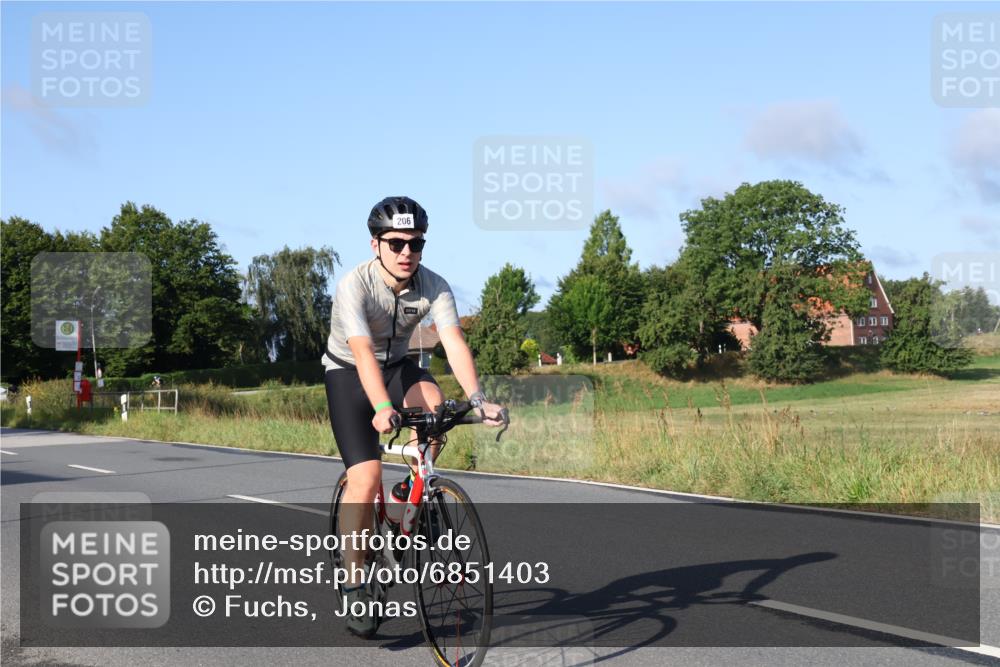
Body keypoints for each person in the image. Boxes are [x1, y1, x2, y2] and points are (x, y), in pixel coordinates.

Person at [323, 195, 504, 637]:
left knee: (438, 411)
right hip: (349, 372)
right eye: (397, 243)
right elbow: (363, 351)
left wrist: (479, 399)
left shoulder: (434, 285)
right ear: (376, 245)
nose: (408, 253)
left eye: (417, 244)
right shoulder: (355, 286)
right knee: (364, 480)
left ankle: (412, 486)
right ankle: (353, 581)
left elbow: (453, 341)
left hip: (397, 367)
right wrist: (383, 408)